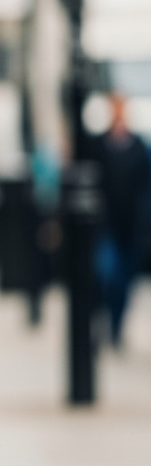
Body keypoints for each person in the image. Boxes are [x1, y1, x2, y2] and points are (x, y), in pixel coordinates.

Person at [89, 93, 151, 347]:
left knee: (126, 282)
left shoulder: (139, 147)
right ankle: (106, 319)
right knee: (108, 273)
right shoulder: (99, 145)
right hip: (107, 226)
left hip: (133, 227)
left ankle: (116, 326)